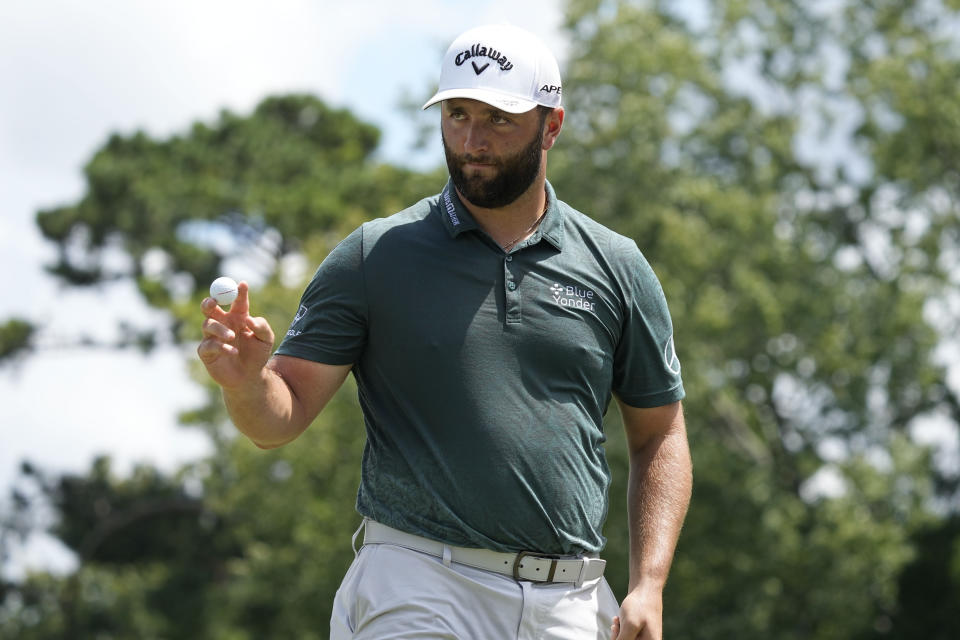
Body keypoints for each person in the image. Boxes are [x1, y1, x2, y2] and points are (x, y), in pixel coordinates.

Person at [197, 23, 692, 640]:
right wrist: (246, 384)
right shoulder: (375, 256)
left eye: (499, 120)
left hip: (570, 599)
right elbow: (281, 416)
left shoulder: (616, 266)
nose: (472, 140)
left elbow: (660, 433)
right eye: (457, 115)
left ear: (552, 126)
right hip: (419, 581)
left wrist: (649, 582)